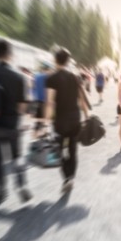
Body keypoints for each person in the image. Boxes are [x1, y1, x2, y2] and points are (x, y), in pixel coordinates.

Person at [0, 39, 32, 203]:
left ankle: (0, 191)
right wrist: (18, 117)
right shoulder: (18, 77)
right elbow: (23, 105)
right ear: (10, 54)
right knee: (17, 156)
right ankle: (22, 186)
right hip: (12, 124)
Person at [45, 48, 89, 193]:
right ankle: (71, 177)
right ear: (68, 61)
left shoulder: (52, 78)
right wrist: (86, 116)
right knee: (72, 149)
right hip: (75, 119)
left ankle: (66, 178)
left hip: (60, 121)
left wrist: (46, 122)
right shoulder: (75, 77)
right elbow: (81, 99)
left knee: (59, 150)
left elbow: (50, 102)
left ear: (55, 60)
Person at [32, 62, 53, 138]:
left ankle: (34, 139)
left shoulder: (36, 75)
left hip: (37, 101)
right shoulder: (47, 76)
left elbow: (33, 88)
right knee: (46, 122)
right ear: (47, 69)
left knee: (37, 123)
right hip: (45, 102)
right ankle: (44, 138)